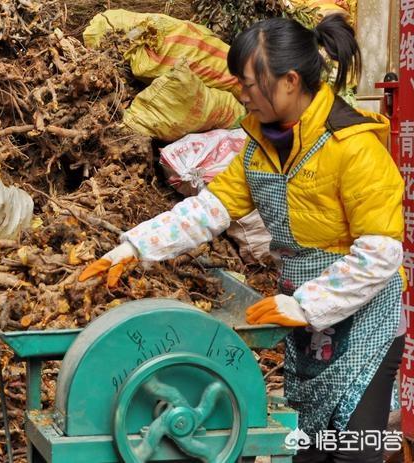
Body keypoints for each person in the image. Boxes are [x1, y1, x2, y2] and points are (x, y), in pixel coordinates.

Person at [80, 14, 405, 463]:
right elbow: (210, 209)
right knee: (307, 448)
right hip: (303, 318)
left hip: (363, 318)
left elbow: (379, 254)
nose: (242, 93)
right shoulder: (259, 147)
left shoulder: (353, 146)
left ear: (290, 81)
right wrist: (135, 246)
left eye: (251, 83)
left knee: (352, 452)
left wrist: (306, 304)